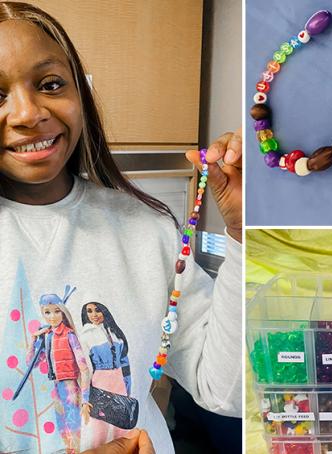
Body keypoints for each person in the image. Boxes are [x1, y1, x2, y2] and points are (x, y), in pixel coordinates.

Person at [0, 3, 242, 453]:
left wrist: (244, 233)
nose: (28, 113)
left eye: (50, 84)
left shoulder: (147, 229)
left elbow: (224, 391)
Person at [25, 287, 91, 454]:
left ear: (63, 312)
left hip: (70, 386)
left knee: (73, 423)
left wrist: (85, 399)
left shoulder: (69, 336)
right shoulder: (47, 336)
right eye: (47, 312)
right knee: (61, 423)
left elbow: (84, 368)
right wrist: (34, 340)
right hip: (56, 386)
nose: (52, 316)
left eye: (56, 311)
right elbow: (31, 363)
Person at [80, 302, 135, 447]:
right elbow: (85, 369)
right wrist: (86, 397)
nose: (94, 314)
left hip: (118, 380)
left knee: (120, 423)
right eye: (89, 311)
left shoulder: (114, 332)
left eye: (97, 310)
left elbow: (124, 361)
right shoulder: (86, 336)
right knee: (100, 425)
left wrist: (127, 386)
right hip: (100, 380)